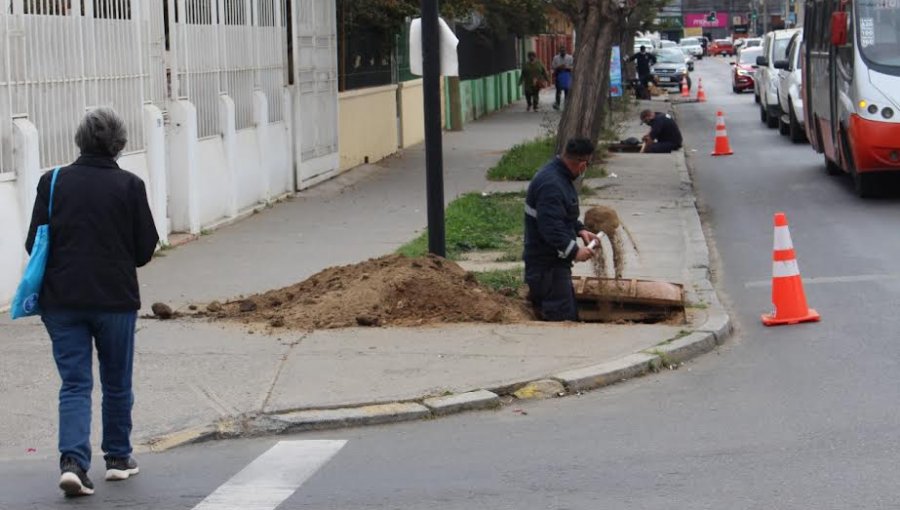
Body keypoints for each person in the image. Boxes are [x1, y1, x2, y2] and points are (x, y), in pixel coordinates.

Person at [26, 107, 159, 497]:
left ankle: (73, 464)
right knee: (117, 381)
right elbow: (143, 249)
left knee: (75, 383)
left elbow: (34, 243)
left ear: (79, 140)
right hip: (114, 300)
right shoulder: (130, 186)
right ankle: (118, 459)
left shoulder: (52, 182)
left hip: (62, 302)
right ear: (119, 144)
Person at [523, 138, 600, 322]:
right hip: (546, 267)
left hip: (553, 265)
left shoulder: (560, 177)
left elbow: (562, 215)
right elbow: (550, 226)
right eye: (587, 165)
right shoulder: (552, 184)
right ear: (582, 164)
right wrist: (574, 251)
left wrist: (580, 230)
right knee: (561, 318)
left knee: (567, 311)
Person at [551, 46, 574, 110]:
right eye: (561, 51)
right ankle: (557, 104)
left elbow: (573, 66)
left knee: (567, 90)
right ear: (559, 51)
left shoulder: (570, 57)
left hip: (567, 75)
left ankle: (566, 105)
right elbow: (553, 67)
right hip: (559, 74)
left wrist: (566, 67)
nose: (562, 52)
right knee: (558, 91)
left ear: (566, 51)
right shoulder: (556, 58)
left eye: (563, 51)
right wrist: (559, 67)